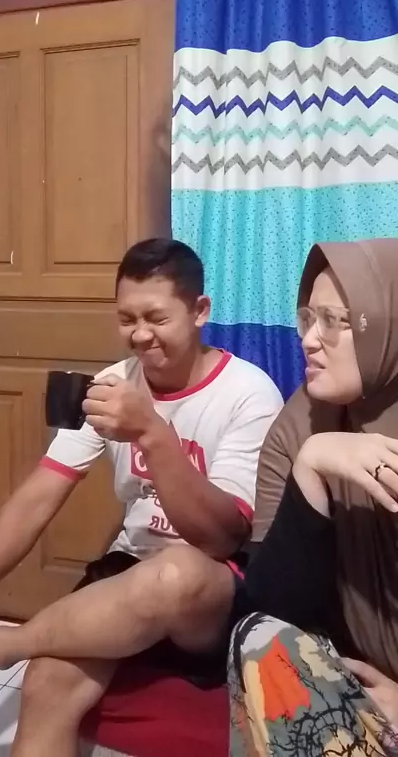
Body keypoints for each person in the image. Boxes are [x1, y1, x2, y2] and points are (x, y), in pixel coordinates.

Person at [0, 237, 282, 757]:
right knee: (47, 681)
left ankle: (0, 646)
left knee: (176, 573)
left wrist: (152, 432)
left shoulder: (248, 393)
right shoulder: (113, 384)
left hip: (208, 587)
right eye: (126, 319)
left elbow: (222, 539)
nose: (140, 335)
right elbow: (36, 499)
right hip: (128, 569)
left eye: (156, 318)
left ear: (200, 311)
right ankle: (11, 650)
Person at [228, 237, 398, 757]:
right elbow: (272, 605)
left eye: (334, 321)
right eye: (307, 318)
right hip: (357, 679)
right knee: (256, 640)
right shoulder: (299, 424)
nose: (308, 340)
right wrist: (312, 465)